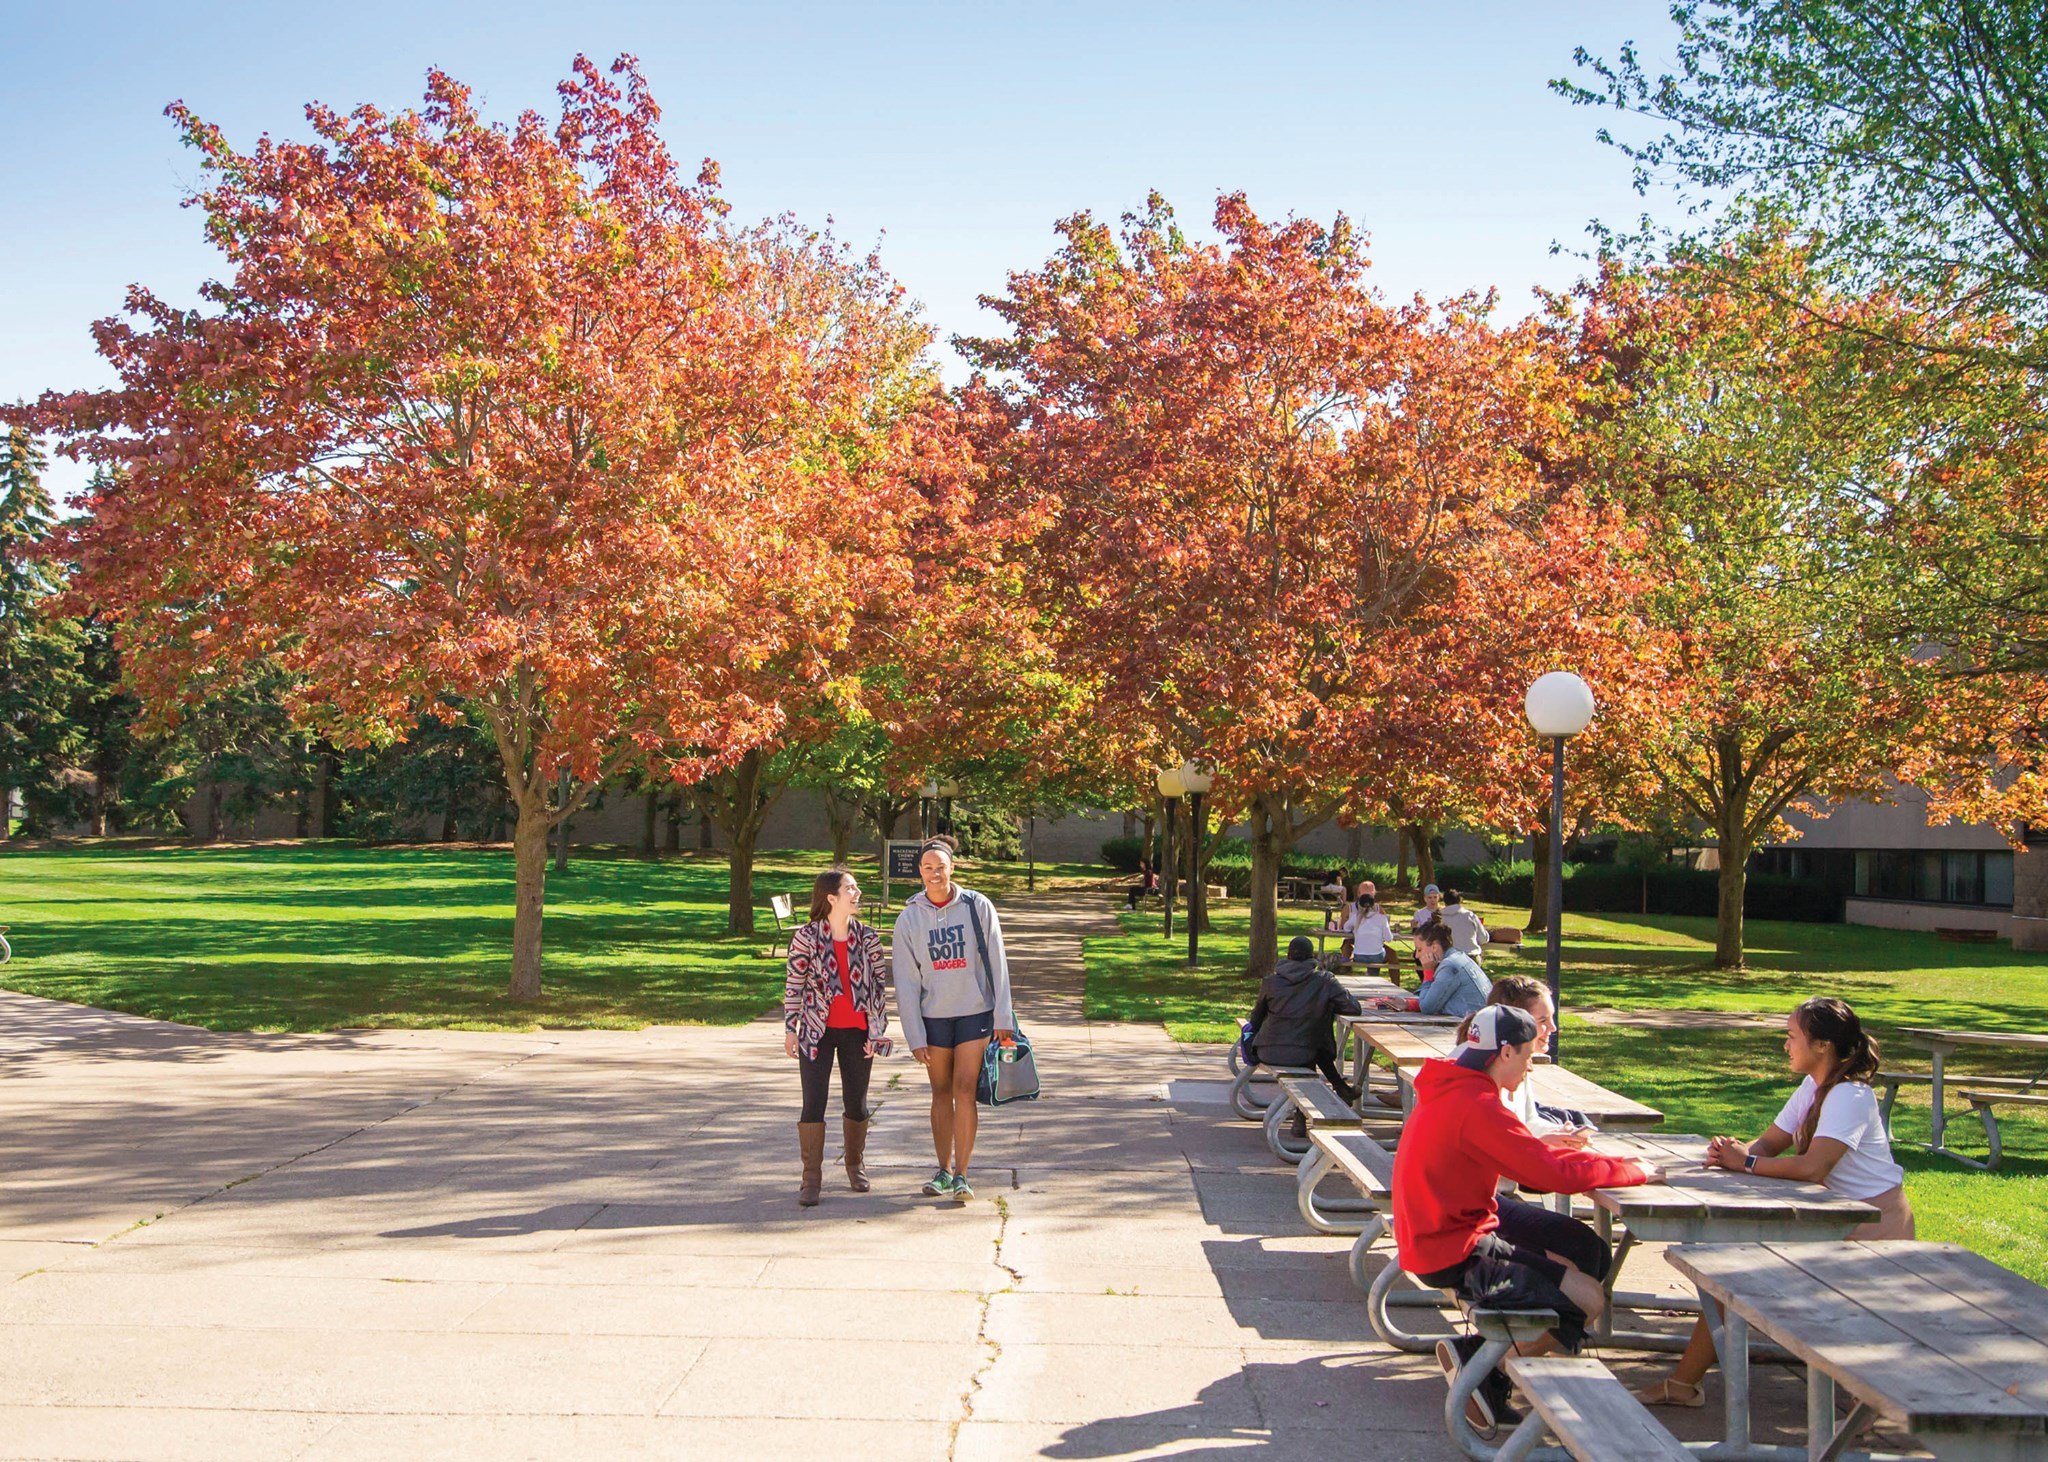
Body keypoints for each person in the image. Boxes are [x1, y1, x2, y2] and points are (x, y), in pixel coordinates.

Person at [1393, 1004, 1664, 1438]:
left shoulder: (1451, 1086)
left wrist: (1602, 1160)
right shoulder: (1476, 1104)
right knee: (1590, 1299)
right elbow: (1548, 1175)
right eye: (1529, 1057)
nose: (1530, 1068)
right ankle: (1481, 1359)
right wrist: (1636, 1172)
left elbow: (1532, 1157)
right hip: (1451, 1248)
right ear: (1504, 1053)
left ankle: (1490, 1367)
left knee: (1581, 1254)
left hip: (1441, 1234)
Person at [1635, 997, 1913, 1409]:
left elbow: (1813, 1167)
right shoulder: (1814, 1087)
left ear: (1821, 1046)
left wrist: (1745, 1163)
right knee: (1726, 1275)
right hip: (1826, 1219)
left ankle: (1862, 1416)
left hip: (1872, 1227)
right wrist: (1733, 1151)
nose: (1786, 1045)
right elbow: (1769, 1144)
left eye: (1792, 1037)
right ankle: (1683, 1385)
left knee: (1847, 1324)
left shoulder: (1851, 1096)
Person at [893, 838, 1014, 1204]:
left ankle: (962, 1174)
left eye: (940, 867)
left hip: (974, 1013)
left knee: (965, 1090)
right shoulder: (909, 917)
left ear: (952, 869)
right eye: (927, 868)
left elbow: (997, 960)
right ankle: (942, 1170)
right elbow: (905, 980)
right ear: (920, 872)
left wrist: (1002, 1014)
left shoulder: (978, 906)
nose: (934, 874)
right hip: (934, 1018)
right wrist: (914, 1034)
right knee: (940, 1092)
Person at [783, 867, 890, 1207]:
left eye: (856, 888)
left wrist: (876, 1031)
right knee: (813, 1101)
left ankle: (854, 1164)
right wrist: (790, 1027)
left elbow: (877, 988)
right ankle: (810, 1178)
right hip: (816, 1031)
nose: (857, 893)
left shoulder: (869, 937)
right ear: (831, 898)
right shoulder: (806, 937)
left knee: (855, 1101)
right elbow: (794, 984)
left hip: (857, 1032)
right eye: (851, 889)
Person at [1453, 976, 1594, 1148]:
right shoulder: (1479, 1066)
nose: (1553, 1028)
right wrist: (1540, 1145)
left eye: (1552, 1018)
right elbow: (1495, 1145)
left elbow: (1528, 1122)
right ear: (1517, 1020)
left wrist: (1559, 1132)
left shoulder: (1516, 1058)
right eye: (1543, 1020)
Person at [1245, 934, 1362, 1105]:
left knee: (1309, 1043)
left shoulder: (1271, 982)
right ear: (1312, 957)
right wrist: (1326, 1003)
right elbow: (1353, 1008)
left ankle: (1334, 1093)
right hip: (1303, 1053)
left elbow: (1255, 1020)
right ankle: (1339, 1089)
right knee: (1312, 1044)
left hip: (1267, 1050)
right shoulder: (1324, 981)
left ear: (1288, 956)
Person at [1368, 924, 1488, 1018]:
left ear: (1434, 947)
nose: (1416, 955)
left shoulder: (1449, 967)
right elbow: (1435, 1000)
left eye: (1419, 949)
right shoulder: (1457, 957)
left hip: (1476, 1030)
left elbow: (1427, 1007)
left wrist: (1428, 972)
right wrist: (1408, 1004)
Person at [1334, 890, 1394, 969]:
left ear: (1359, 905)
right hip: (1376, 956)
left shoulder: (1355, 917)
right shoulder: (1382, 918)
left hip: (1359, 956)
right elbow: (1389, 939)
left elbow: (1346, 928)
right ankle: (1373, 977)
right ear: (1374, 905)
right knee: (1383, 954)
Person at [1438, 888, 1492, 958]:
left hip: (1449, 958)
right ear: (1459, 900)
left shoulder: (1439, 918)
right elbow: (1484, 939)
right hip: (1471, 956)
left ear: (1445, 902)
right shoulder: (1469, 915)